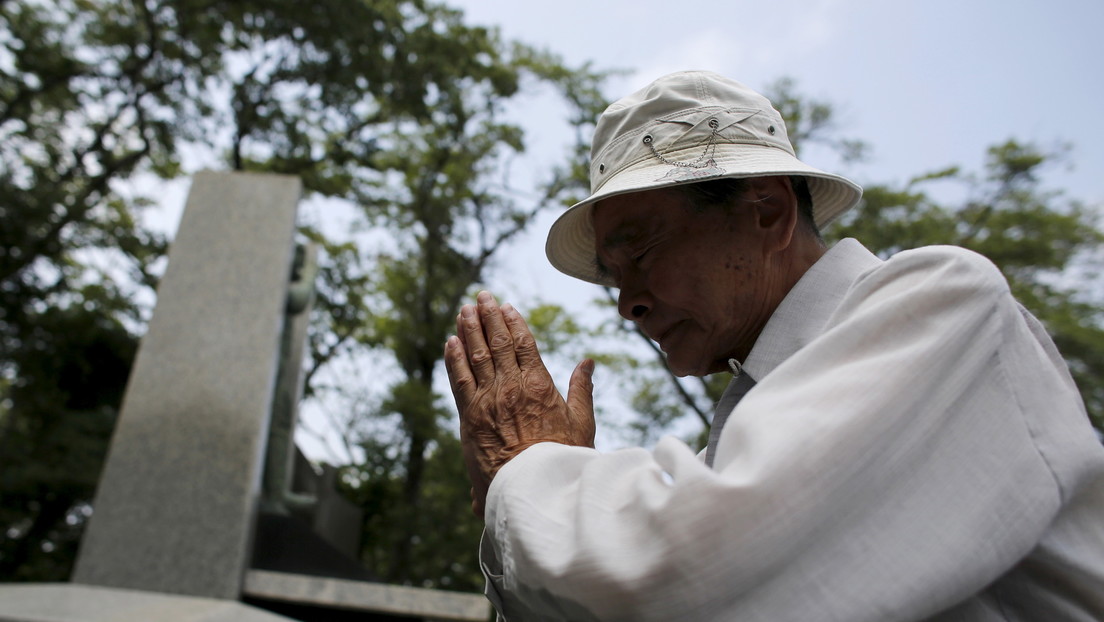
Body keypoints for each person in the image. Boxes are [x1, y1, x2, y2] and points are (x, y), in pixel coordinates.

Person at [442, 70, 1104, 621]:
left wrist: (528, 473)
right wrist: (526, 499)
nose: (627, 303)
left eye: (639, 251)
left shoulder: (946, 306)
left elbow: (691, 577)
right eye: (614, 277)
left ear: (768, 211)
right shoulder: (738, 448)